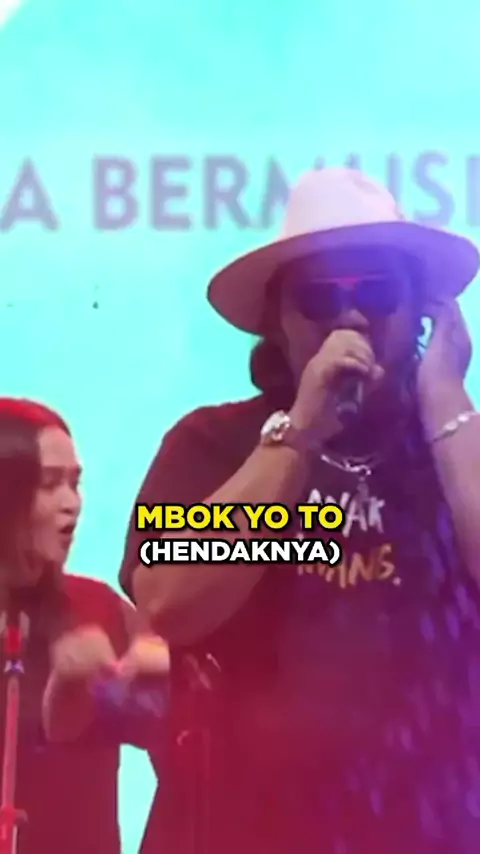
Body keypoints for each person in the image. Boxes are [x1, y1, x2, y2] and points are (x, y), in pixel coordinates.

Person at [120, 166, 480, 854]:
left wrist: (445, 398)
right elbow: (169, 600)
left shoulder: (461, 448)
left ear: (424, 311)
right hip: (244, 830)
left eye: (377, 292)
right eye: (319, 298)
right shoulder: (212, 444)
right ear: (277, 324)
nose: (351, 317)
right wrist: (299, 435)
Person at [0, 397, 169, 854]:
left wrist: (156, 691)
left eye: (74, 484)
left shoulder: (99, 609)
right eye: (49, 484)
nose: (71, 504)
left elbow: (185, 763)